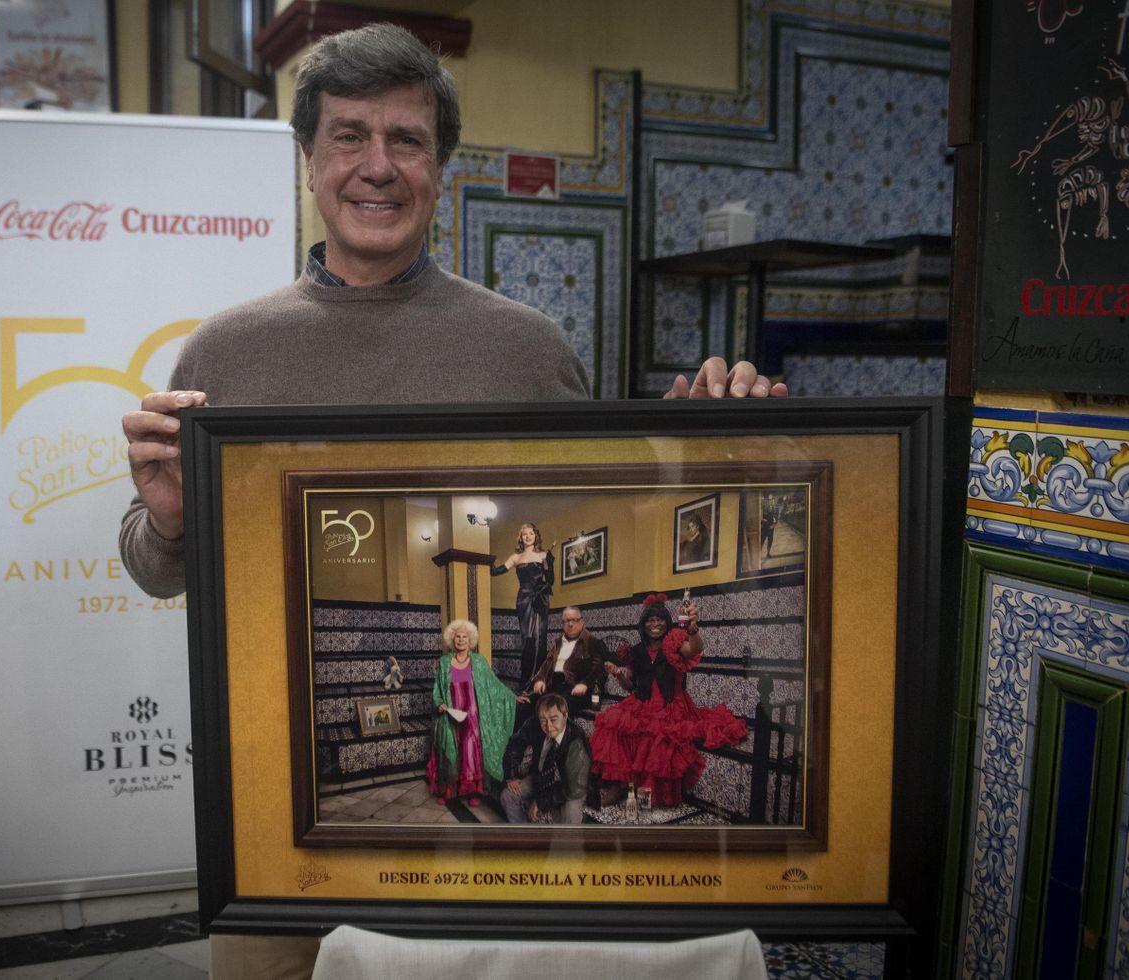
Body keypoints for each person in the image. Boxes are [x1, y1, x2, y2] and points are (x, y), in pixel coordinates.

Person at [115, 22, 783, 978]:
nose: (376, 166)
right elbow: (154, 565)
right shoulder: (223, 353)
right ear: (309, 161)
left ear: (440, 166)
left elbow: (604, 486)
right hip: (267, 817)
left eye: (407, 140)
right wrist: (169, 517)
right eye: (348, 136)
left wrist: (722, 443)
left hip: (486, 879)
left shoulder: (526, 347)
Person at [591, 593, 747, 813]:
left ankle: (647, 796)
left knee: (655, 737)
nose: (655, 624)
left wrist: (692, 629)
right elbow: (630, 687)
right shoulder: (634, 651)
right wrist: (617, 674)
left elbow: (694, 649)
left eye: (660, 619)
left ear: (667, 621)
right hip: (641, 702)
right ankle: (619, 787)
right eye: (650, 620)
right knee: (612, 727)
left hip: (671, 705)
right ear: (643, 625)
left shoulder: (674, 643)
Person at [427, 619, 516, 806]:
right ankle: (448, 791)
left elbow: (494, 686)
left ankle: (474, 791)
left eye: (464, 637)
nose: (460, 640)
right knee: (449, 750)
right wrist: (440, 703)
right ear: (452, 640)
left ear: (470, 640)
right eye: (457, 637)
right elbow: (437, 691)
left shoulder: (479, 661)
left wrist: (513, 697)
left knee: (470, 752)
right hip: (450, 715)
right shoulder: (444, 663)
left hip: (473, 716)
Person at [500, 693, 591, 824]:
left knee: (571, 810)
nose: (548, 726)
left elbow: (574, 786)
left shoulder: (576, 739)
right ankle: (525, 837)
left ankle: (569, 844)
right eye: (543, 720)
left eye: (554, 719)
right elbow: (515, 745)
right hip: (541, 778)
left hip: (570, 786)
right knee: (508, 796)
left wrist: (541, 802)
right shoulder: (534, 724)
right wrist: (511, 774)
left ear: (565, 716)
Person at [490, 522, 552, 687]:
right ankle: (526, 681)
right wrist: (488, 559)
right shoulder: (515, 557)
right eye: (525, 534)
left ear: (535, 536)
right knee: (527, 640)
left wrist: (549, 564)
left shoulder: (544, 555)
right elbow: (495, 572)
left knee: (540, 638)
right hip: (523, 599)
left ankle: (539, 680)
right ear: (521, 538)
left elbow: (550, 580)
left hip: (540, 598)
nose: (528, 536)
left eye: (531, 533)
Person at [521, 605, 609, 719]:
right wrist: (540, 679)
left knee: (551, 709)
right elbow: (545, 665)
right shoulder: (558, 643)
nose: (570, 624)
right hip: (553, 686)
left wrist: (585, 683)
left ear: (582, 622)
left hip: (575, 689)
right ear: (562, 624)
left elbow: (600, 670)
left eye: (574, 620)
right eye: (566, 621)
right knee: (525, 703)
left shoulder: (592, 641)